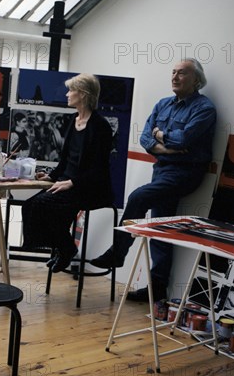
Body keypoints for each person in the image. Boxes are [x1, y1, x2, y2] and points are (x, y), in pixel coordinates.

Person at [91, 58, 217, 302]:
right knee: (161, 229)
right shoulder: (163, 104)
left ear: (196, 80)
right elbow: (146, 139)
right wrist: (166, 147)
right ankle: (157, 288)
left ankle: (118, 252)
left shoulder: (204, 108)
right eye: (173, 72)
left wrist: (162, 136)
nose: (174, 77)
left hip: (186, 173)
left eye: (182, 73)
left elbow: (184, 140)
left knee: (138, 196)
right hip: (162, 169)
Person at [21, 74, 113, 273]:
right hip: (67, 182)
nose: (67, 94)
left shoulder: (100, 127)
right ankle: (64, 248)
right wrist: (52, 177)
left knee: (40, 206)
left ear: (83, 94)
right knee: (29, 206)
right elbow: (65, 159)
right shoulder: (74, 119)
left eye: (71, 90)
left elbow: (99, 169)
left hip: (88, 187)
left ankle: (65, 248)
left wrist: (73, 183)